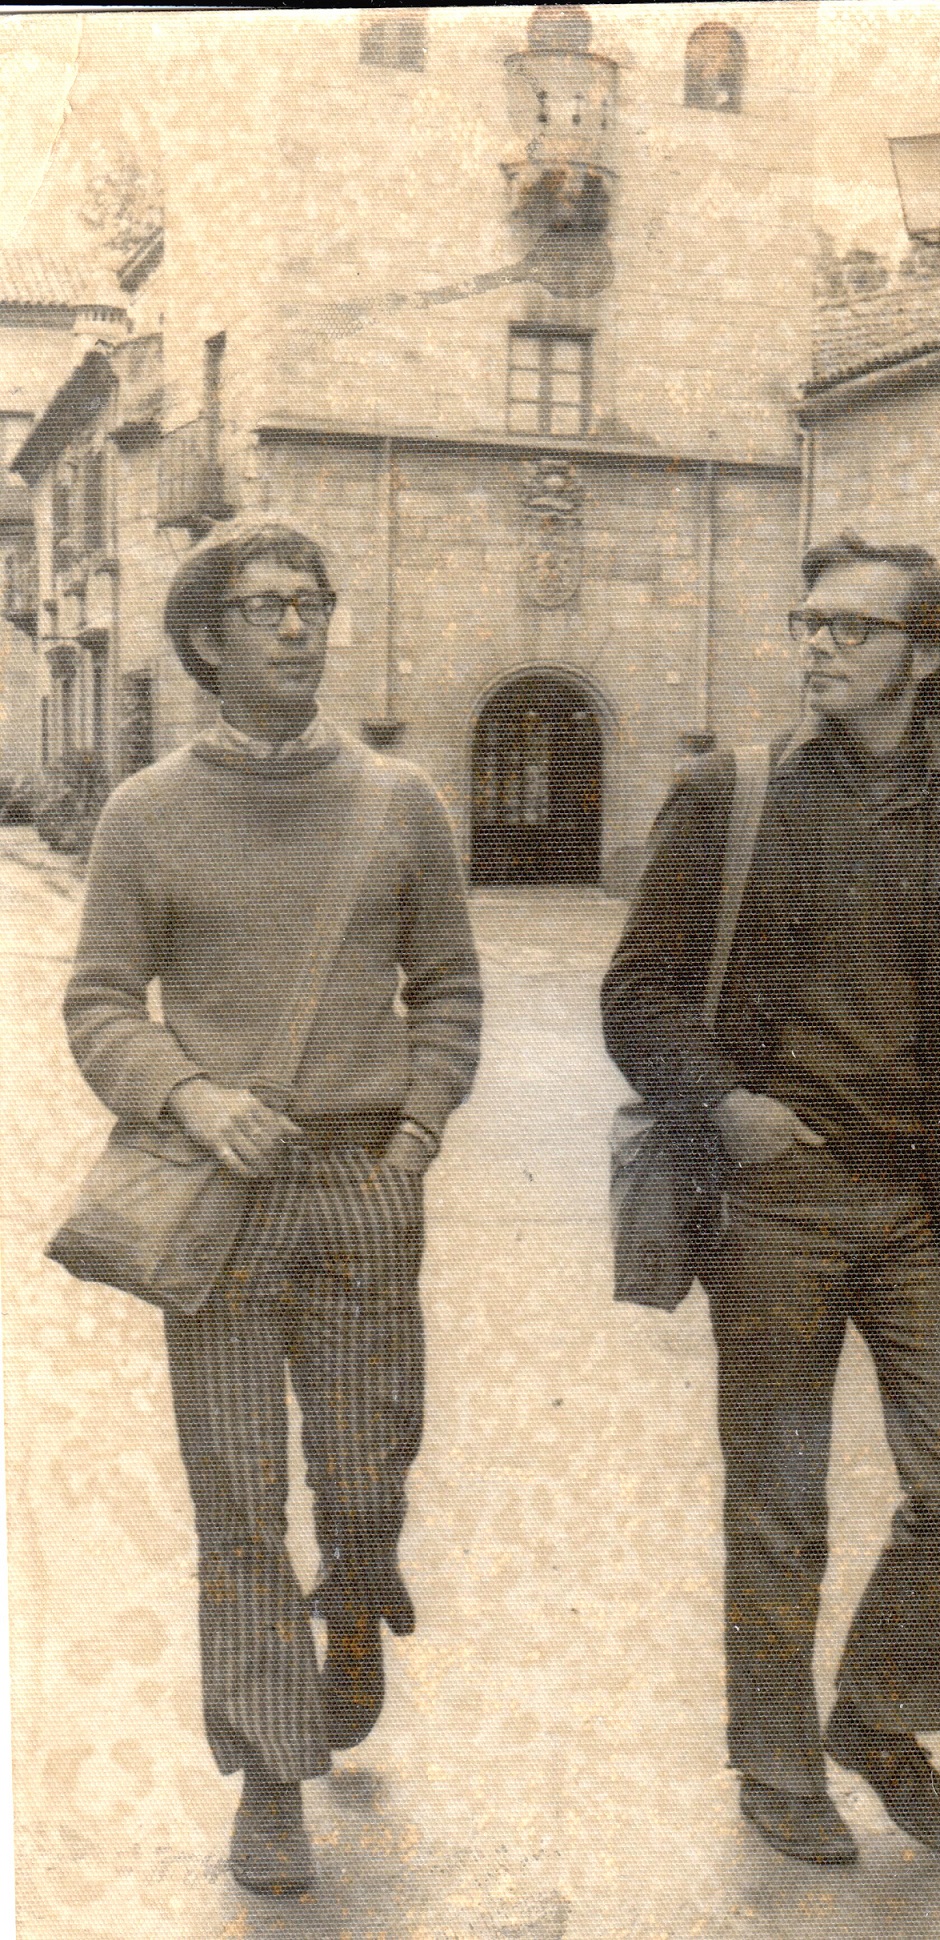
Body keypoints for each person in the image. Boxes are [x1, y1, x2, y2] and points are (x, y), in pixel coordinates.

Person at [601, 532, 940, 1867]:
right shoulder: (728, 796)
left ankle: (879, 1714)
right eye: (808, 622)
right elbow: (635, 996)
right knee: (781, 1502)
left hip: (931, 1216)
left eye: (851, 628)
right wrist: (728, 1106)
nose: (818, 645)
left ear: (927, 656)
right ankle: (774, 1760)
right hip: (779, 1209)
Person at [62, 519, 483, 1897]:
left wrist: (415, 1137)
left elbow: (453, 992)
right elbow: (102, 1005)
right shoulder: (146, 813)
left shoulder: (399, 802)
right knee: (238, 1498)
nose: (298, 628)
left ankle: (358, 1589)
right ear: (205, 641)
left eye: (313, 604)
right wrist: (189, 1097)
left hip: (366, 1185)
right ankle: (270, 1777)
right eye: (265, 609)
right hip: (222, 1203)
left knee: (364, 1474)